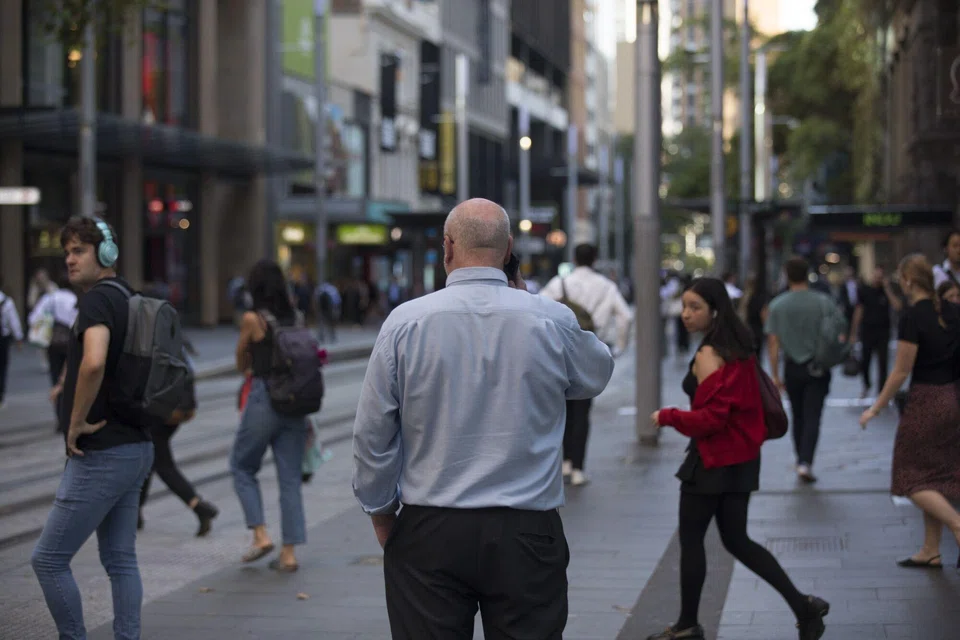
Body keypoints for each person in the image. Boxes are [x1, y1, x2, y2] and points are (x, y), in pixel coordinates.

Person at [352, 198, 615, 639]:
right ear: (509, 248)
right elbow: (596, 373)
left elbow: (373, 432)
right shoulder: (550, 320)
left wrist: (381, 512)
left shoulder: (405, 323)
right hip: (527, 530)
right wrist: (527, 303)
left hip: (430, 528)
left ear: (447, 248)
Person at [649, 278, 830, 640]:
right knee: (736, 539)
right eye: (684, 306)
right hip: (742, 460)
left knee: (692, 540)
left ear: (715, 311)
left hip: (713, 461)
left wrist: (667, 415)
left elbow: (711, 419)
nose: (685, 314)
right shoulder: (741, 348)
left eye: (694, 307)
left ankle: (687, 624)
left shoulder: (709, 354)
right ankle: (803, 605)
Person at [31, 217, 155, 640]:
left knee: (47, 559)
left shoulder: (97, 300)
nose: (69, 259)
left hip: (101, 450)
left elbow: (96, 360)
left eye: (79, 250)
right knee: (120, 559)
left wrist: (75, 421)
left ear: (106, 253)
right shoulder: (130, 297)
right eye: (66, 251)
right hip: (137, 445)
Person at [860, 254, 960, 570]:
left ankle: (957, 525)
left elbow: (901, 371)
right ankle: (930, 549)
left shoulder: (912, 316)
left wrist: (875, 408)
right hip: (952, 398)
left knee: (908, 476)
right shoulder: (952, 311)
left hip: (925, 402)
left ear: (907, 281)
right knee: (933, 474)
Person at [231, 259, 309, 572]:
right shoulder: (297, 316)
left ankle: (260, 534)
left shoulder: (253, 319)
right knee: (290, 478)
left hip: (265, 398)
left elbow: (241, 363)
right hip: (295, 402)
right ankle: (289, 554)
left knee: (241, 465)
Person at [540, 243, 633, 485]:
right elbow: (626, 316)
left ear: (574, 258)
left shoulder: (559, 284)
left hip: (560, 352)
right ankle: (579, 467)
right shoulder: (606, 286)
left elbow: (537, 310)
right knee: (582, 411)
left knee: (562, 408)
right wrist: (620, 347)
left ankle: (565, 463)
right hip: (591, 350)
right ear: (595, 259)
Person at [138, 335, 219, 536]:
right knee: (150, 458)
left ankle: (199, 507)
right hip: (178, 411)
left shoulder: (148, 339)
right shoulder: (174, 338)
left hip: (160, 412)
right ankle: (134, 513)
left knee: (162, 464)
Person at [765, 257, 837, 483]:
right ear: (807, 274)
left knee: (797, 414)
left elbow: (773, 343)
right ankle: (806, 460)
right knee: (813, 415)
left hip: (792, 366)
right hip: (818, 365)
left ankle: (800, 459)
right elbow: (835, 332)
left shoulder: (777, 305)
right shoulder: (823, 302)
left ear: (787, 274)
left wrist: (775, 375)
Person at [850, 266, 901, 399]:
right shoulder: (864, 290)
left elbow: (897, 306)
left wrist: (887, 288)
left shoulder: (886, 291)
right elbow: (859, 310)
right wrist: (853, 332)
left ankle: (882, 391)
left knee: (883, 363)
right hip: (867, 331)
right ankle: (866, 385)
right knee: (865, 361)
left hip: (883, 331)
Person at [0, 276, 25, 410]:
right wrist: (19, 338)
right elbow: (13, 320)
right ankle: (1, 397)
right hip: (2, 338)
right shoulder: (7, 301)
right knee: (2, 367)